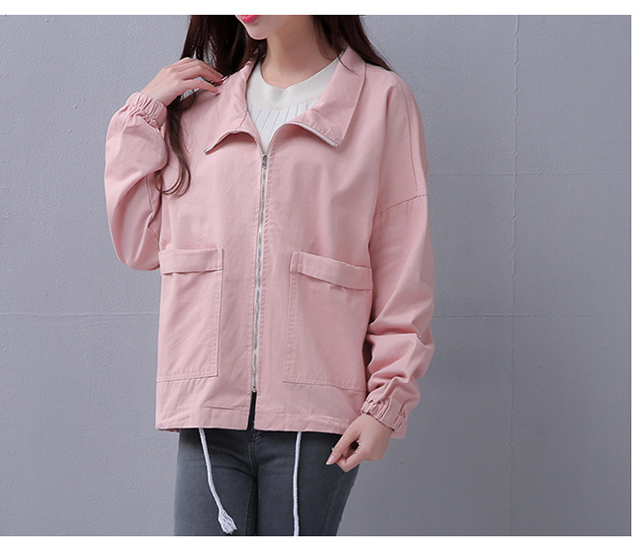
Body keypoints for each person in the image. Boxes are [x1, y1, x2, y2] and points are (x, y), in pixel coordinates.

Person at [104, 15, 435, 536]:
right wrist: (143, 115)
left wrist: (386, 403)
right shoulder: (202, 108)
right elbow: (139, 244)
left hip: (318, 413)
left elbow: (402, 266)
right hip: (208, 408)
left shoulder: (381, 100)